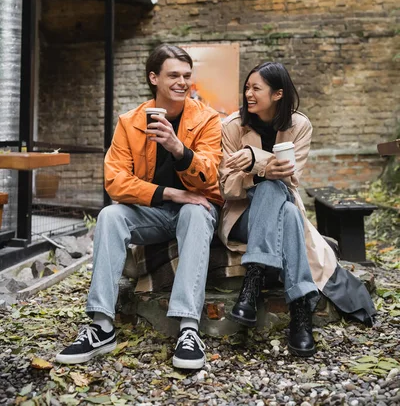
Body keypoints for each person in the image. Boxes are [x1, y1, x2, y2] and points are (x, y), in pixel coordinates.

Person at [56, 45, 223, 369]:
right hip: (156, 212)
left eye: (187, 76)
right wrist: (171, 194)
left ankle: (188, 328)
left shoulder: (206, 119)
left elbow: (209, 175)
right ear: (153, 78)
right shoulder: (130, 123)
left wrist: (178, 148)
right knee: (110, 215)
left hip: (195, 211)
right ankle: (102, 325)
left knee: (194, 209)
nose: (182, 82)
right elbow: (114, 182)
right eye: (173, 75)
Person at [218, 62, 376, 358]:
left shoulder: (299, 126)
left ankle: (255, 283)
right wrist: (262, 169)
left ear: (278, 94)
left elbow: (291, 177)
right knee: (269, 186)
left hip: (283, 207)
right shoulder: (231, 127)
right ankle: (299, 311)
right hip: (242, 218)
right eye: (247, 88)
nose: (248, 94)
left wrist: (254, 159)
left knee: (282, 201)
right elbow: (226, 187)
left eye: (256, 89)